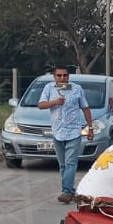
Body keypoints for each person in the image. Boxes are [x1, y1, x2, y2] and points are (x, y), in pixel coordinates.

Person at [38, 66, 94, 203]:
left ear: (68, 76)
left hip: (73, 131)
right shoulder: (49, 88)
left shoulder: (76, 89)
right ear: (54, 77)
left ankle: (67, 191)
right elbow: (41, 105)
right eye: (59, 75)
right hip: (57, 131)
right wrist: (55, 102)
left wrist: (90, 128)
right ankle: (68, 189)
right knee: (62, 164)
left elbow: (85, 108)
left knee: (70, 163)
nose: (62, 78)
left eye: (65, 75)